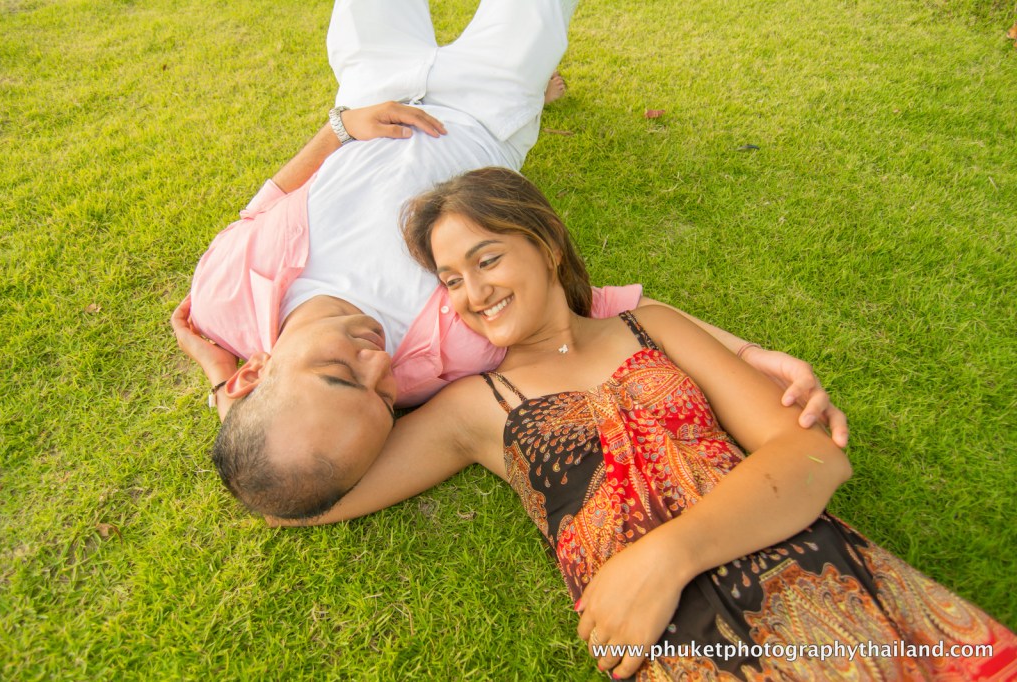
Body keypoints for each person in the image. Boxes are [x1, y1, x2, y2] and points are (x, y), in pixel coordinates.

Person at [271, 167, 1017, 680]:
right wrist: (283, 386)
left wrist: (667, 557)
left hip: (824, 583)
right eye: (451, 281)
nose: (471, 293)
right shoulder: (475, 408)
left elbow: (814, 458)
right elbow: (301, 495)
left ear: (548, 243)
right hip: (684, 649)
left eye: (486, 258)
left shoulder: (650, 327)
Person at [172, 0, 847, 523]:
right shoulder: (452, 356)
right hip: (487, 110)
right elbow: (603, 314)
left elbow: (266, 205)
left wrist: (340, 128)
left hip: (370, 94)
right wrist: (749, 354)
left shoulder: (220, 300)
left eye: (340, 374)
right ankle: (538, 89)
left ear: (253, 373)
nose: (377, 362)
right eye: (384, 398)